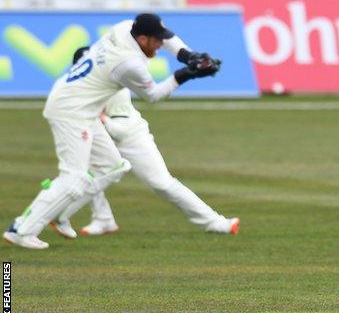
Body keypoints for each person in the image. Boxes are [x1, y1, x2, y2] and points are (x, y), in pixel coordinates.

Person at [4, 13, 220, 249]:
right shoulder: (129, 65)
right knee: (74, 176)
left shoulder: (124, 27)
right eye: (156, 41)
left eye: (162, 39)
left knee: (112, 167)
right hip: (72, 111)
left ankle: (60, 212)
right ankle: (21, 229)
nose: (161, 45)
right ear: (142, 38)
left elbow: (168, 40)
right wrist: (186, 74)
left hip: (81, 105)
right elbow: (152, 96)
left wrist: (189, 56)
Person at [50, 47, 238, 238]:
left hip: (130, 134)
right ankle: (103, 219)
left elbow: (121, 127)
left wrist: (101, 119)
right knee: (88, 173)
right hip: (103, 132)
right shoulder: (79, 87)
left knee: (162, 184)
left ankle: (216, 222)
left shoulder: (111, 79)